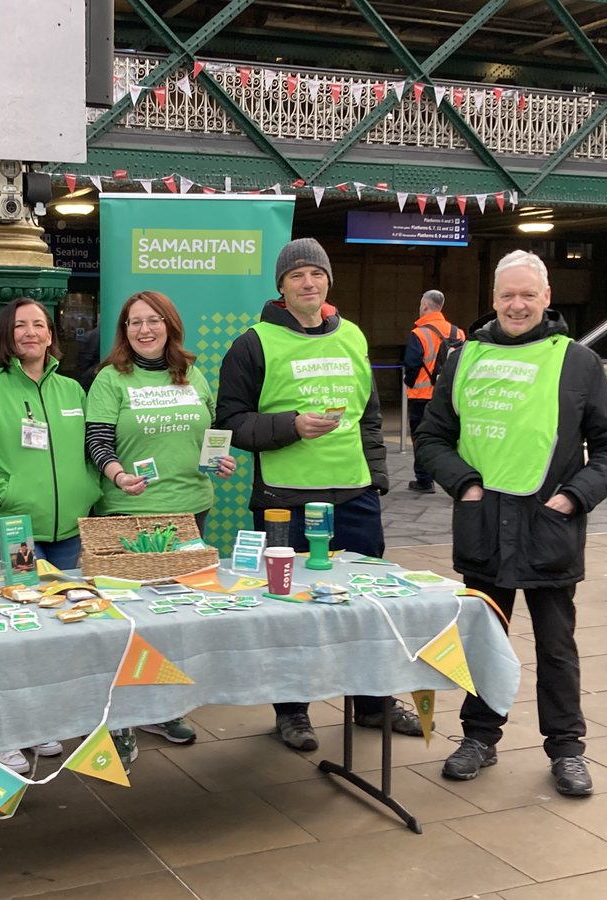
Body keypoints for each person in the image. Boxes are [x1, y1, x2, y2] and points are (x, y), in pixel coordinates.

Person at [415, 250, 607, 797]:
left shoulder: (578, 362)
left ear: (546, 298)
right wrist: (463, 483)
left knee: (557, 649)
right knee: (482, 641)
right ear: (493, 299)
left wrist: (576, 496)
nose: (517, 304)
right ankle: (479, 738)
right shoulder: (462, 357)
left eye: (527, 295)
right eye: (507, 295)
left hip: (548, 532)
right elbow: (432, 436)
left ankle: (567, 750)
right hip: (483, 527)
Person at [215, 237, 421, 754]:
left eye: (317, 274)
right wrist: (289, 426)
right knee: (288, 611)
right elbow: (231, 424)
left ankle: (373, 703)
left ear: (329, 281)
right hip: (284, 501)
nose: (309, 283)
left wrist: (376, 478)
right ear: (281, 287)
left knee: (369, 607)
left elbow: (369, 418)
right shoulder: (252, 343)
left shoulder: (352, 336)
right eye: (297, 276)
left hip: (353, 498)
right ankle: (292, 712)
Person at [86, 289, 237, 762]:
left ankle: (163, 706)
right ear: (124, 331)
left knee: (174, 618)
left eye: (152, 321)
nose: (144, 330)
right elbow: (96, 441)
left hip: (191, 508)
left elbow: (206, 437)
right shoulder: (110, 379)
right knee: (130, 622)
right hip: (130, 512)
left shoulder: (192, 376)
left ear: (170, 325)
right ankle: (122, 718)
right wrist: (117, 474)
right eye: (134, 323)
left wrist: (219, 461)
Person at [0, 296, 100, 774]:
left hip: (67, 532)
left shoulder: (73, 391)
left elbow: (89, 450)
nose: (31, 333)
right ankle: (2, 732)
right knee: (13, 631)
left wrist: (90, 491)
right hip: (14, 530)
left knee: (59, 630)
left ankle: (41, 721)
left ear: (52, 335)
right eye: (21, 326)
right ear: (7, 336)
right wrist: (5, 491)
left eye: (39, 325)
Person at [402, 289, 462, 494]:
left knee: (422, 438)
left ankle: (424, 479)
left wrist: (409, 382)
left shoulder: (418, 333)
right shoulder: (457, 332)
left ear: (425, 306)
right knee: (449, 437)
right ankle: (454, 478)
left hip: (422, 396)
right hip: (449, 397)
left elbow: (411, 364)